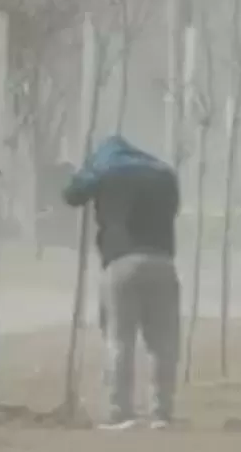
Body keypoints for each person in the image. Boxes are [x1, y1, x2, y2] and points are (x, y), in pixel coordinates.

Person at [63, 134, 181, 430]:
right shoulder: (164, 173)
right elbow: (174, 209)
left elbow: (71, 196)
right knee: (162, 343)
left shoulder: (104, 169)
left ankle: (120, 411)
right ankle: (161, 412)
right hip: (163, 262)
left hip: (121, 263)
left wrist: (85, 173)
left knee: (119, 339)